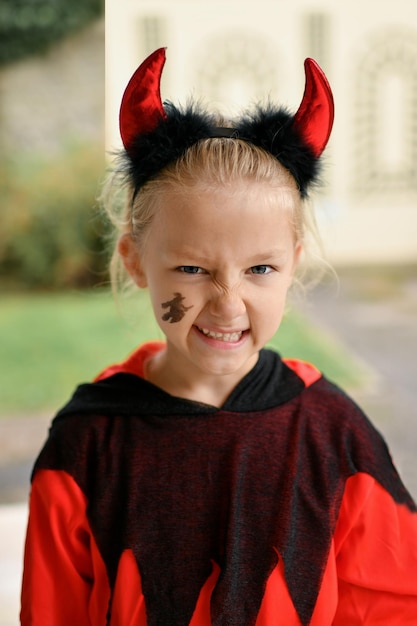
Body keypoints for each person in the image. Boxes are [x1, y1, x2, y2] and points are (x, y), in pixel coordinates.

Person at [21, 48, 417, 626]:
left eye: (260, 269)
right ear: (135, 260)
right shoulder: (86, 444)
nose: (228, 303)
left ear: (294, 264)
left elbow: (392, 605)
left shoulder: (335, 433)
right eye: (191, 269)